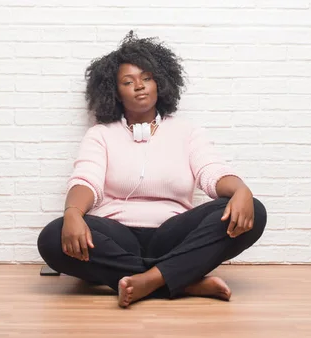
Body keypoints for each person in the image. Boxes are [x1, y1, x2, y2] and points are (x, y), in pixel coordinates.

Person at [36, 31, 267, 308]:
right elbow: (86, 180)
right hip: (116, 236)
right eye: (128, 81)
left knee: (254, 209)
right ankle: (178, 279)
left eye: (147, 78)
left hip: (172, 235)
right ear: (115, 92)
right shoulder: (101, 135)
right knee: (52, 236)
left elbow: (211, 171)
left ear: (160, 83)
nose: (140, 86)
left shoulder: (186, 131)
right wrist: (72, 213)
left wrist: (241, 189)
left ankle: (149, 277)